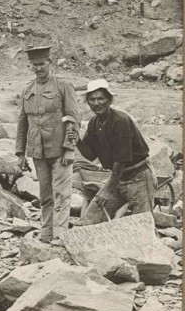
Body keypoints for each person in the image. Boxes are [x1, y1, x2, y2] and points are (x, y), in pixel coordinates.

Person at [15, 46, 80, 244]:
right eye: (35, 65)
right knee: (45, 196)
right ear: (30, 66)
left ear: (49, 63)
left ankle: (60, 235)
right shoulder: (27, 90)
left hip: (60, 151)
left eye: (42, 64)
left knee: (62, 195)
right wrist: (20, 153)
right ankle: (46, 233)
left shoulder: (63, 86)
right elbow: (22, 123)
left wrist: (69, 148)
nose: (38, 68)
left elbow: (73, 119)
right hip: (38, 151)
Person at [75, 79, 156, 224]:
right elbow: (91, 155)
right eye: (92, 99)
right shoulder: (94, 123)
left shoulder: (121, 121)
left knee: (142, 226)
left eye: (101, 98)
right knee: (90, 219)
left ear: (109, 100)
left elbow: (121, 160)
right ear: (87, 102)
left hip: (139, 177)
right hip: (117, 178)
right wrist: (76, 140)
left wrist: (107, 190)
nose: (96, 103)